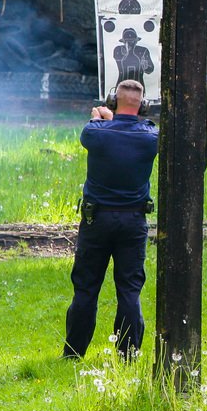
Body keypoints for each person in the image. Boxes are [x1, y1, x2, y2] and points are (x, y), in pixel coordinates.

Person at [63, 79, 159, 360]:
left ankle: (74, 353)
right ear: (142, 105)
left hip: (97, 221)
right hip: (133, 222)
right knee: (129, 290)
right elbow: (139, 129)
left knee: (86, 288)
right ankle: (128, 354)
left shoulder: (96, 132)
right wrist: (112, 119)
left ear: (114, 102)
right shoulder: (150, 136)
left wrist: (103, 118)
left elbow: (95, 131)